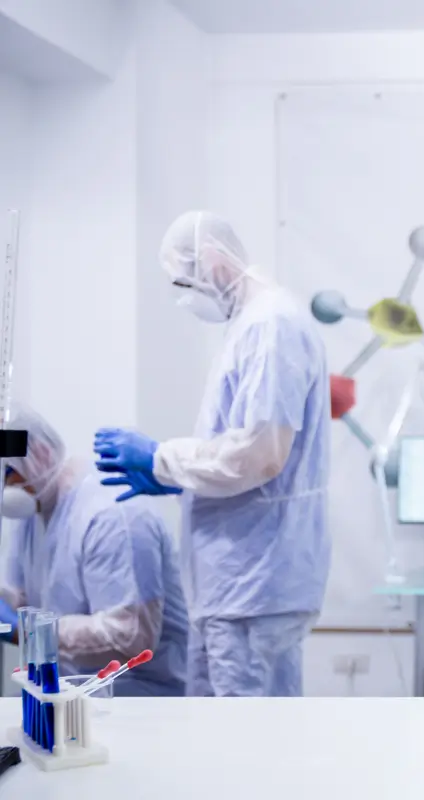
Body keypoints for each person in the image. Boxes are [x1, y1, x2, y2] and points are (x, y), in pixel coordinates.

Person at [93, 210, 331, 697]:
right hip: (238, 581)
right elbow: (245, 448)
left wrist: (163, 458)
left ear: (213, 259)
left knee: (244, 741)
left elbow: (262, 455)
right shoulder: (252, 324)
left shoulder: (272, 326)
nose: (186, 295)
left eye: (185, 279)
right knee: (217, 728)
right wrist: (177, 478)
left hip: (254, 580)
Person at [0, 404, 188, 696]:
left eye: (5, 473)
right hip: (72, 694)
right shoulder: (33, 513)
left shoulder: (111, 514)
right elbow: (17, 601)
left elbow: (128, 637)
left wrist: (32, 634)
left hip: (138, 698)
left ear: (38, 455)